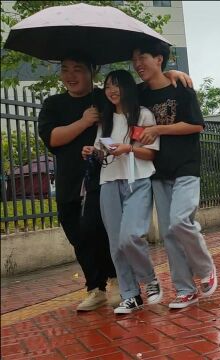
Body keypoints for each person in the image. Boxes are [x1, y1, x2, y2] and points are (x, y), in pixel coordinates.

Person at [134, 40, 218, 309]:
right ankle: (184, 289)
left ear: (159, 59)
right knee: (169, 233)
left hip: (186, 167)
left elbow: (195, 125)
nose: (137, 64)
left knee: (181, 221)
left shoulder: (182, 88)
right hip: (158, 170)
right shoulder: (139, 94)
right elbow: (114, 97)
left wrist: (159, 129)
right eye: (133, 59)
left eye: (142, 57)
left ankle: (205, 270)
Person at [38, 56, 118, 311]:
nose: (70, 76)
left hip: (102, 175)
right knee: (77, 234)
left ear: (92, 71)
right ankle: (96, 288)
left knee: (97, 228)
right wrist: (84, 121)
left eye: (78, 69)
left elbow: (137, 97)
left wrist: (172, 75)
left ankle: (116, 280)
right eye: (65, 70)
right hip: (68, 179)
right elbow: (53, 138)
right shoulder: (53, 104)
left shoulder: (104, 97)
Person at [82, 70, 162, 314]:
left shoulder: (144, 115)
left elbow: (151, 153)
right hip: (109, 182)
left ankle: (150, 280)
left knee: (130, 237)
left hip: (137, 180)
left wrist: (128, 149)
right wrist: (92, 151)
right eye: (107, 86)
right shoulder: (105, 119)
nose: (111, 90)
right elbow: (101, 150)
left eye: (116, 85)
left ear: (127, 87)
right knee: (116, 244)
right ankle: (131, 295)